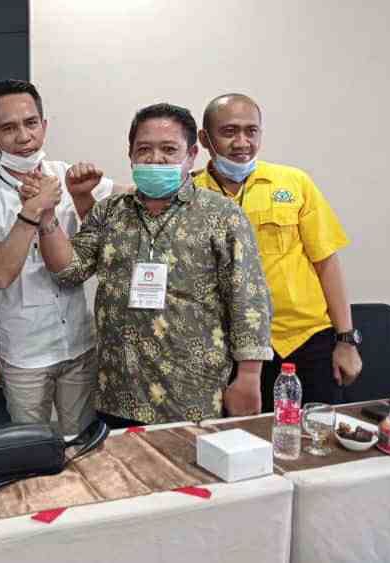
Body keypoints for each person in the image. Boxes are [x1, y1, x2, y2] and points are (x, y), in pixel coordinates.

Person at [39, 103, 273, 427]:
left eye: (169, 149)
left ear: (191, 155)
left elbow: (249, 299)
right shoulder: (110, 211)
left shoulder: (223, 216)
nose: (155, 158)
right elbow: (69, 271)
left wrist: (249, 376)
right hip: (117, 390)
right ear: (130, 154)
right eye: (144, 149)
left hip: (193, 395)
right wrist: (46, 217)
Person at [0, 79, 117, 435]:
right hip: (25, 354)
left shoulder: (68, 176)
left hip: (79, 343)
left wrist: (83, 198)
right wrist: (33, 209)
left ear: (44, 126)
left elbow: (122, 205)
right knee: (32, 450)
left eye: (31, 123)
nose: (24, 136)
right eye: (9, 128)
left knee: (82, 444)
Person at [194, 93, 362, 410]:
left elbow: (326, 262)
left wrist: (346, 340)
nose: (242, 142)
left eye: (251, 131)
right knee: (240, 436)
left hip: (306, 339)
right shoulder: (191, 195)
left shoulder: (294, 182)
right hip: (231, 347)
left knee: (316, 433)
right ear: (205, 138)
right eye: (229, 131)